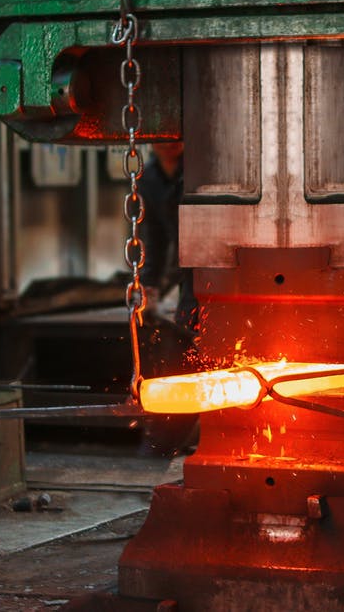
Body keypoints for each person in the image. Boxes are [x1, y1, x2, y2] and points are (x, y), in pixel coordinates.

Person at [137, 141, 200, 456]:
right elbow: (156, 240)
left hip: (209, 266)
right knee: (181, 345)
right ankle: (166, 437)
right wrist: (149, 285)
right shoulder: (149, 180)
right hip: (187, 275)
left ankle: (179, 434)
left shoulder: (201, 174)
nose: (168, 143)